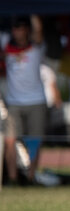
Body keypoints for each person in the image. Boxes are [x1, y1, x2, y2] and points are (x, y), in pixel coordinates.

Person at [3, 16, 58, 186]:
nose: (17, 31)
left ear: (26, 30)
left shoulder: (35, 48)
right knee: (9, 141)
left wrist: (31, 5)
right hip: (13, 103)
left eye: (20, 27)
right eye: (15, 28)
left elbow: (39, 31)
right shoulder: (6, 46)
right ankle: (13, 180)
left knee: (34, 141)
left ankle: (30, 178)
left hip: (36, 101)